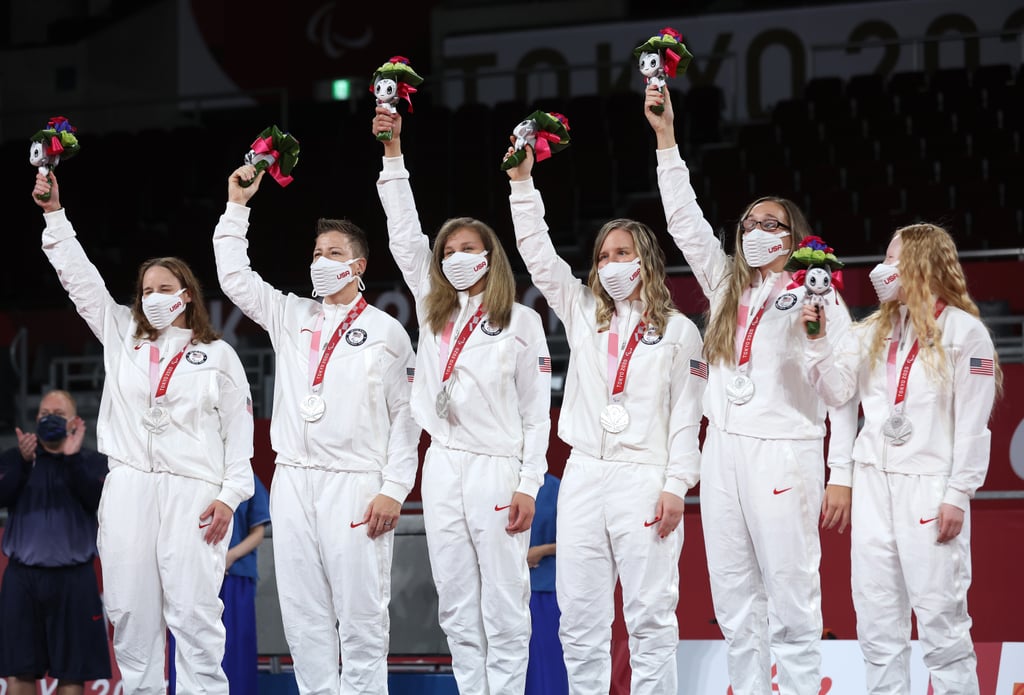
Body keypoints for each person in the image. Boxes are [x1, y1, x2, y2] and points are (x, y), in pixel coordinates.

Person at [643, 84, 857, 695]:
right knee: (734, 598)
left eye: (773, 223)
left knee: (790, 594)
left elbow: (842, 390)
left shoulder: (817, 294)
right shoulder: (725, 287)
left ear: (794, 237)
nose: (757, 230)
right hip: (723, 452)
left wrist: (840, 471)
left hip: (784, 448)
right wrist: (666, 140)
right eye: (751, 221)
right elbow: (683, 219)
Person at [33, 170, 255, 695]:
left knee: (196, 618)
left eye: (164, 288)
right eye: (145, 289)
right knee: (131, 615)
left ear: (185, 295)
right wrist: (53, 215)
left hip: (192, 492)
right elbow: (80, 280)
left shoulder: (217, 356)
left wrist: (229, 497)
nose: (153, 297)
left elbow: (239, 436)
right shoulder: (121, 335)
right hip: (130, 487)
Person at [506, 141, 706, 695]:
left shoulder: (680, 332)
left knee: (649, 615)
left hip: (645, 475)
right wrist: (522, 185)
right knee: (581, 618)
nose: (611, 264)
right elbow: (539, 256)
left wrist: (675, 487)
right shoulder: (582, 312)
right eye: (603, 256)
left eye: (622, 254)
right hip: (584, 474)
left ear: (646, 260)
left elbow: (688, 418)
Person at [214, 164, 420, 695]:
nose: (320, 262)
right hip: (293, 479)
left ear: (358, 265)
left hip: (356, 484)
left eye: (333, 254)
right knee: (304, 618)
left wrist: (394, 489)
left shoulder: (387, 332)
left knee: (360, 619)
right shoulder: (290, 314)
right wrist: (238, 206)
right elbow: (233, 278)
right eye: (315, 252)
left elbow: (407, 418)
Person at [374, 107, 551, 695]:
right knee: (456, 603)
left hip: (500, 468)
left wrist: (529, 483)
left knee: (503, 603)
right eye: (448, 249)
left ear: (489, 255)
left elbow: (535, 413)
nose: (454, 257)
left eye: (467, 247)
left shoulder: (521, 321)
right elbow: (404, 233)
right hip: (443, 462)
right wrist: (392, 153)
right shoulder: (433, 308)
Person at [803, 224, 1000, 695]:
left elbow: (975, 425)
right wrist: (816, 340)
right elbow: (837, 394)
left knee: (941, 622)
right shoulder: (872, 329)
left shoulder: (965, 332)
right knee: (876, 620)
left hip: (930, 486)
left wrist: (959, 492)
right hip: (873, 484)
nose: (882, 269)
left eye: (893, 259)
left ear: (922, 264)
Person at [0, 390, 110, 695]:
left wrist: (72, 460)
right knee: (19, 672)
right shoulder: (14, 459)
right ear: (36, 419)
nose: (49, 419)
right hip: (22, 579)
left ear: (75, 422)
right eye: (44, 413)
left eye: (58, 415)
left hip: (75, 580)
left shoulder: (92, 462)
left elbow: (98, 500)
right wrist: (23, 464)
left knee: (72, 674)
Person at [169, 473, 270, 695]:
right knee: (188, 644)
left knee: (234, 648)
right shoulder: (188, 469)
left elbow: (258, 532)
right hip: (190, 575)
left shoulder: (245, 476)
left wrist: (229, 556)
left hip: (234, 576)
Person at [524, 472, 567, 695]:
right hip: (507, 588)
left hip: (546, 589)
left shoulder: (557, 488)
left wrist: (542, 550)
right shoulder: (500, 483)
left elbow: (578, 539)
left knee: (548, 661)